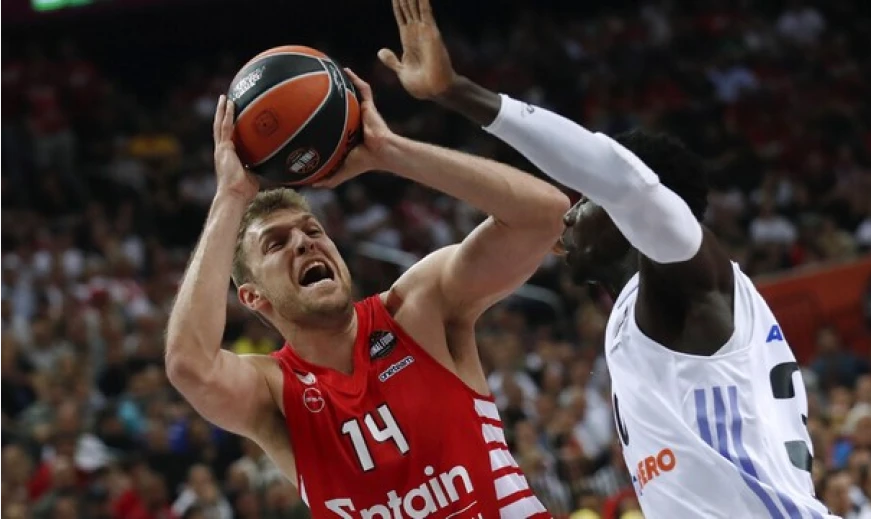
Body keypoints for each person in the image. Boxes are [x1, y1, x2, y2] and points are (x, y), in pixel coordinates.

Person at [375, 0, 836, 516]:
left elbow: (623, 179)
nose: (570, 212)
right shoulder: (654, 308)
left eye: (585, 197)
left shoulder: (689, 281)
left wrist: (457, 92)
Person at [165, 60, 570, 517]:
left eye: (312, 230)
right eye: (276, 243)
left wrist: (391, 151)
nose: (303, 242)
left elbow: (544, 216)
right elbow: (189, 365)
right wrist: (230, 197)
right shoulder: (272, 393)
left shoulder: (416, 309)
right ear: (253, 296)